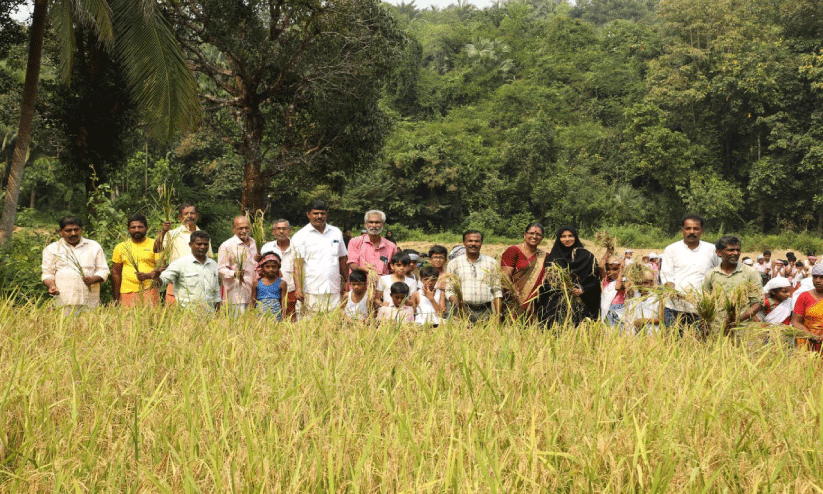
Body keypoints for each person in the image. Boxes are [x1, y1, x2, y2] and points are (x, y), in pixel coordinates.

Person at [659, 215, 719, 330]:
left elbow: (719, 273)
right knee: (674, 343)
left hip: (702, 309)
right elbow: (667, 277)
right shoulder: (671, 250)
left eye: (696, 229)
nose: (692, 232)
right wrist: (674, 292)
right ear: (682, 230)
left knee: (701, 343)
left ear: (702, 231)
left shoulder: (712, 250)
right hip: (675, 308)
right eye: (688, 228)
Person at [41, 216, 109, 315]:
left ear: (81, 230)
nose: (73, 233)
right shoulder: (52, 249)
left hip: (89, 299)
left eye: (76, 230)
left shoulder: (94, 246)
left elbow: (103, 270)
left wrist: (94, 279)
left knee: (90, 327)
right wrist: (52, 286)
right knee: (65, 327)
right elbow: (47, 273)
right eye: (68, 230)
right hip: (64, 300)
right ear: (61, 232)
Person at [292, 200, 348, 318]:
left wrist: (347, 281)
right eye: (315, 213)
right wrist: (298, 288)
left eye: (322, 213)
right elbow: (298, 265)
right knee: (309, 324)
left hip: (333, 288)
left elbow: (342, 259)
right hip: (311, 289)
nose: (319, 216)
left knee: (334, 322)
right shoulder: (300, 235)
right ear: (308, 214)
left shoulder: (336, 232)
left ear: (326, 214)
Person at [535, 226, 600, 326]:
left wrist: (582, 290)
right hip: (557, 306)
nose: (567, 239)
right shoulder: (553, 258)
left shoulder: (587, 257)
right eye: (563, 236)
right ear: (559, 239)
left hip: (582, 305)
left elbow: (595, 281)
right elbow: (546, 283)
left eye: (570, 236)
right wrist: (560, 287)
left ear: (575, 237)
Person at [155, 203, 213, 304]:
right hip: (177, 285)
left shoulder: (204, 236)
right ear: (180, 217)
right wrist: (163, 232)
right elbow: (157, 249)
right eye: (186, 214)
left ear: (197, 216)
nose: (189, 216)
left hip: (198, 287)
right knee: (175, 318)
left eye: (192, 213)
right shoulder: (172, 234)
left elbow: (209, 260)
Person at [702, 235, 762, 332]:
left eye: (738, 250)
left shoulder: (751, 273)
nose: (736, 253)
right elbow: (706, 304)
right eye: (731, 250)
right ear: (719, 252)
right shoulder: (711, 275)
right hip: (717, 329)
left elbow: (757, 303)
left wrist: (736, 320)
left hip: (742, 329)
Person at [445, 230, 502, 323]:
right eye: (470, 241)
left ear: (481, 243)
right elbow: (449, 290)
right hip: (461, 311)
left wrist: (499, 316)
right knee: (461, 337)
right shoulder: (454, 263)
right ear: (464, 243)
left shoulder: (491, 263)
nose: (473, 244)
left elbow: (497, 291)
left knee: (486, 337)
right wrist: (457, 304)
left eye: (477, 241)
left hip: (485, 311)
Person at [158, 230, 221, 311]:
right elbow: (162, 281)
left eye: (205, 244)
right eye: (199, 244)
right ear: (190, 245)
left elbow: (216, 293)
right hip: (187, 316)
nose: (202, 247)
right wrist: (156, 277)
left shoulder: (213, 265)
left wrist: (218, 314)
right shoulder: (179, 264)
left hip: (209, 316)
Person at [112, 213, 160, 307]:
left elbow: (161, 266)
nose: (136, 230)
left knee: (151, 320)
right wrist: (117, 297)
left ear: (146, 228)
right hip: (127, 292)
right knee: (128, 320)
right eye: (133, 227)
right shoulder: (120, 247)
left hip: (149, 290)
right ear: (128, 229)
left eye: (140, 227)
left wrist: (149, 275)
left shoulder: (156, 244)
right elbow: (116, 273)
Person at [500, 222, 546, 316]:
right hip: (513, 300)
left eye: (538, 234)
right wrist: (514, 293)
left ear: (542, 237)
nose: (534, 236)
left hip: (533, 304)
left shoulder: (544, 256)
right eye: (531, 233)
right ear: (524, 234)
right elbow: (505, 277)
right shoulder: (513, 251)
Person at [218, 216, 258, 314]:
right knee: (238, 324)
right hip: (237, 292)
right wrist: (234, 274)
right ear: (233, 229)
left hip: (255, 292)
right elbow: (220, 268)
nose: (244, 231)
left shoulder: (254, 242)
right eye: (240, 228)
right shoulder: (227, 245)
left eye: (246, 228)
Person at [259, 219, 297, 321]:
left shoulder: (297, 247)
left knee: (292, 320)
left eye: (284, 229)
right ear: (273, 231)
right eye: (278, 229)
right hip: (272, 292)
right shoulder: (266, 247)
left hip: (292, 290)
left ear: (290, 231)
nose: (281, 231)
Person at [347, 211, 397, 277]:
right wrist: (362, 269)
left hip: (382, 285)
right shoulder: (355, 242)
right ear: (365, 225)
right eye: (371, 222)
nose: (374, 225)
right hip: (361, 285)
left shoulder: (391, 246)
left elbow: (393, 268)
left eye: (377, 223)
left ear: (383, 225)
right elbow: (352, 263)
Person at [792, 264, 823, 351]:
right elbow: (795, 322)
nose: (818, 280)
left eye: (822, 277)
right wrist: (810, 335)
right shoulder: (804, 296)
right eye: (815, 277)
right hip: (807, 342)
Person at [622, 269, 661, 334]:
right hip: (635, 333)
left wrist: (644, 320)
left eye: (645, 283)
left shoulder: (656, 298)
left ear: (651, 283)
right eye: (640, 283)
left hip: (651, 334)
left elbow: (661, 320)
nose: (642, 285)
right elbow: (625, 286)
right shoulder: (634, 296)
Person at [252, 253, 286, 319]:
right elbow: (253, 300)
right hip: (260, 315)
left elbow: (283, 302)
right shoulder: (256, 282)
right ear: (262, 267)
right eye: (267, 267)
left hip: (276, 315)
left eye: (274, 267)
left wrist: (283, 317)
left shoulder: (282, 283)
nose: (271, 269)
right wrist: (251, 315)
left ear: (278, 267)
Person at [599, 256, 626, 327]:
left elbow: (617, 287)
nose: (610, 272)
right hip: (605, 310)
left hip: (617, 311)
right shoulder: (605, 280)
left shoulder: (623, 281)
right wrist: (608, 252)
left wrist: (621, 271)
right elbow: (601, 267)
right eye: (608, 269)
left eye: (615, 269)